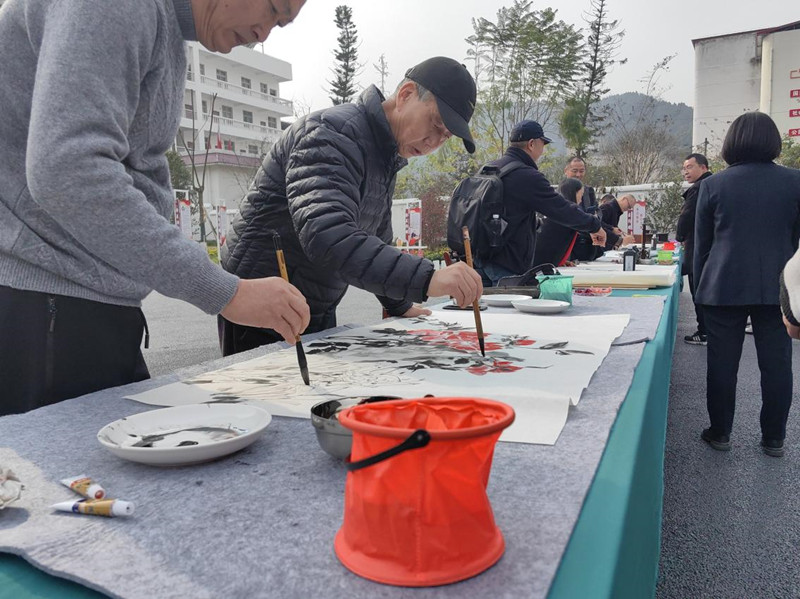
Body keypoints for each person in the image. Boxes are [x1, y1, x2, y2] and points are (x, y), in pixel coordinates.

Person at [0, 0, 312, 416]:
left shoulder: (169, 31)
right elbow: (67, 169)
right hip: (42, 307)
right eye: (273, 8)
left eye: (282, 24)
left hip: (80, 303)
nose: (264, 34)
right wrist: (225, 291)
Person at [219, 57, 484, 355]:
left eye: (445, 137)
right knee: (275, 397)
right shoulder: (332, 134)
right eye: (435, 124)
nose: (434, 142)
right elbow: (326, 235)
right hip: (264, 301)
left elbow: (376, 237)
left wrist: (398, 304)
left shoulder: (384, 154)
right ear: (406, 94)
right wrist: (428, 278)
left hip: (312, 297)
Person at [694, 112, 800, 458]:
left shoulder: (713, 184)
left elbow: (702, 246)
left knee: (722, 364)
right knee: (778, 364)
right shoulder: (795, 181)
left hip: (723, 285)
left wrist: (699, 291)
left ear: (731, 142)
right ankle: (774, 438)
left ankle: (720, 432)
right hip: (779, 286)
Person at [471, 121, 606, 286]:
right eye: (542, 144)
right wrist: (594, 225)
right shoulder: (526, 176)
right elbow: (559, 208)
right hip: (506, 267)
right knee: (508, 311)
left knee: (486, 311)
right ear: (531, 144)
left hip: (479, 261)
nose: (542, 150)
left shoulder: (489, 168)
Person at [676, 153, 712, 345]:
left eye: (690, 167)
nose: (686, 171)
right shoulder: (714, 185)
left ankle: (703, 332)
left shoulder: (699, 188)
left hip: (699, 247)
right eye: (684, 168)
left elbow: (687, 216)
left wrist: (679, 237)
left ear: (704, 167)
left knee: (698, 288)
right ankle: (708, 330)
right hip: (712, 248)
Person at [532, 178, 584, 267]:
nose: (581, 200)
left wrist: (561, 260)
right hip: (541, 262)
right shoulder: (568, 212)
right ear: (573, 192)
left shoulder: (554, 209)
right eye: (581, 195)